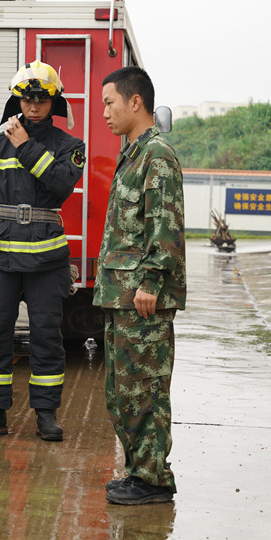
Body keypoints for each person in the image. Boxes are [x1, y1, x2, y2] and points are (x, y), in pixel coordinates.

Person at [0, 61, 86, 441]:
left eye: (41, 99)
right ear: (17, 100)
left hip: (47, 261)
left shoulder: (71, 147)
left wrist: (26, 147)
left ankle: (46, 414)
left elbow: (61, 184)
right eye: (26, 99)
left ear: (54, 102)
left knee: (47, 335)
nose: (33, 107)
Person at [94, 66, 186, 505]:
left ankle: (152, 479)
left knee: (145, 391)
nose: (104, 112)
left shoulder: (157, 155)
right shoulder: (130, 155)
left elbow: (164, 225)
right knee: (122, 391)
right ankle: (138, 471)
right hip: (122, 296)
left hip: (143, 298)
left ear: (136, 102)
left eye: (110, 102)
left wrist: (150, 281)